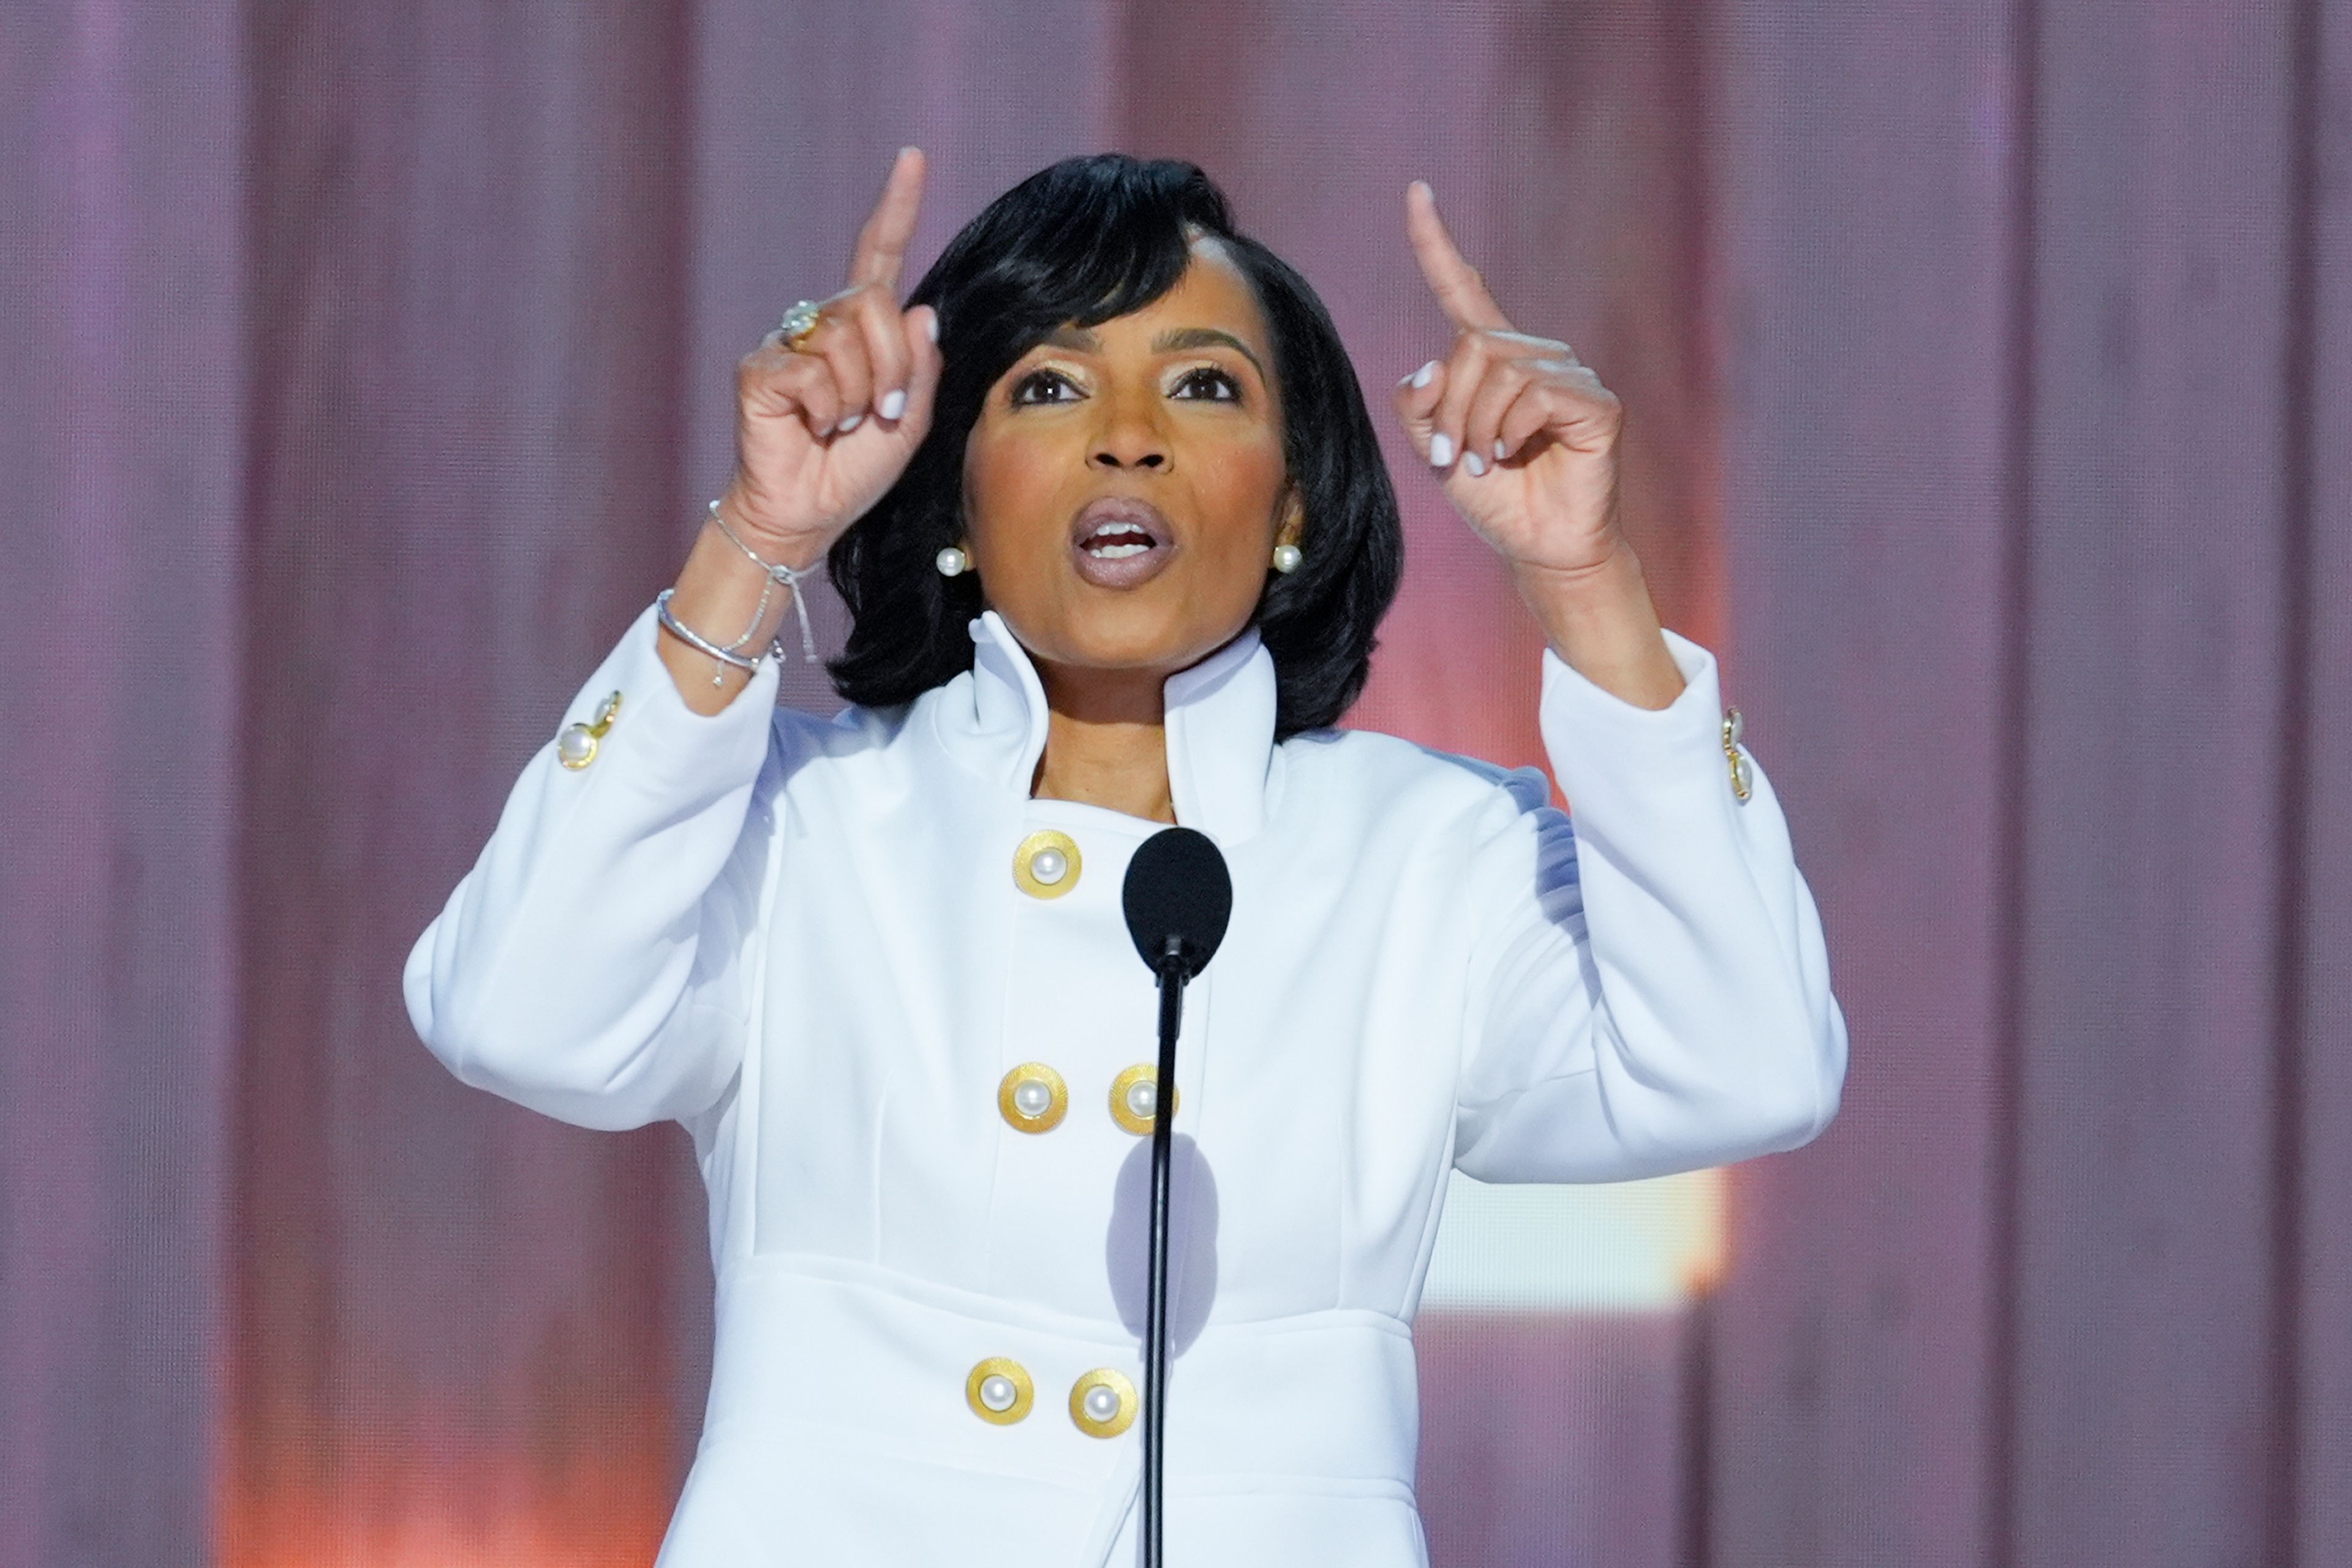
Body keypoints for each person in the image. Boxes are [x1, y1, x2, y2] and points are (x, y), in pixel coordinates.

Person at [405, 147, 1846, 1567]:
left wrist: (1584, 581)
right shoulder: (796, 825)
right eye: (1048, 384)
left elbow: (1748, 1060)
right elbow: (518, 1012)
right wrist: (760, 533)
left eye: (1206, 384)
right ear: (955, 496)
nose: (1129, 432)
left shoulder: (1429, 855)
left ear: (1293, 502)